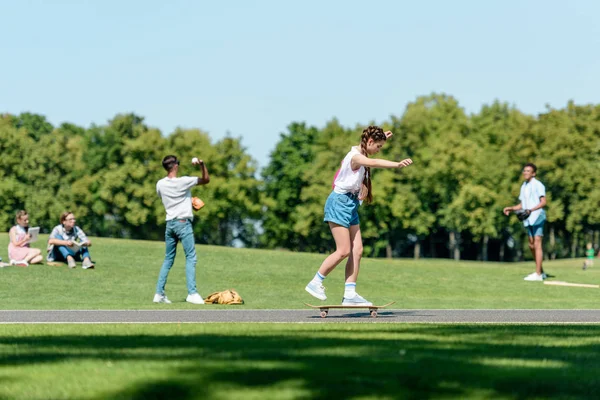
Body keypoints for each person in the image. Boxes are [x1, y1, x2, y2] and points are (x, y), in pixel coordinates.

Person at [305, 126, 413, 305]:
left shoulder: (362, 149)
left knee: (357, 250)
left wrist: (382, 137)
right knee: (343, 250)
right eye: (378, 146)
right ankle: (316, 282)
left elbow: (369, 150)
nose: (379, 150)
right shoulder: (355, 157)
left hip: (351, 204)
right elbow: (375, 162)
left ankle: (350, 294)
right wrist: (397, 164)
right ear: (370, 142)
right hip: (339, 203)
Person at [153, 155, 210, 305]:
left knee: (168, 259)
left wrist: (187, 200)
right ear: (175, 166)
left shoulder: (160, 184)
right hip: (183, 223)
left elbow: (170, 199)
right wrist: (202, 164)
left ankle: (159, 294)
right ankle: (192, 293)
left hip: (169, 224)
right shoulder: (184, 181)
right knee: (191, 257)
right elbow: (206, 180)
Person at [503, 163, 547, 281]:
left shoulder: (538, 185)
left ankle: (538, 274)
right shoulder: (524, 186)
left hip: (538, 215)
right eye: (524, 171)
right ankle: (541, 272)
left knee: (537, 243)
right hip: (528, 218)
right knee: (531, 245)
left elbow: (543, 202)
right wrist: (511, 208)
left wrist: (531, 210)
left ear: (534, 173)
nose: (525, 173)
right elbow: (522, 205)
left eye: (528, 171)